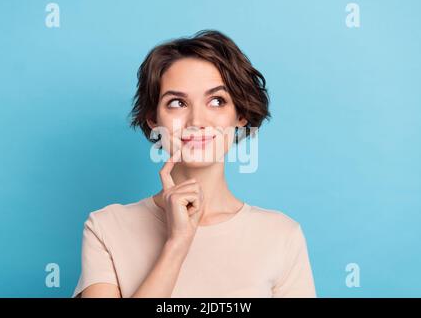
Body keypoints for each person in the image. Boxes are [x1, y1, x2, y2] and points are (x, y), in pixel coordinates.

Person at [72, 29, 316, 298]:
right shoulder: (106, 227)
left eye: (216, 101)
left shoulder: (281, 236)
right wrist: (177, 245)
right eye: (177, 103)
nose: (197, 121)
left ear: (241, 114)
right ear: (153, 118)